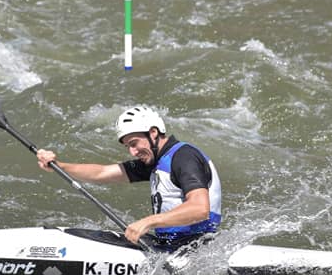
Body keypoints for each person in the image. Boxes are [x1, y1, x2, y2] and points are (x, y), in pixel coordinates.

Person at [36, 106, 222, 251]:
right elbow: (102, 173)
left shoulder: (184, 157)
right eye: (128, 147)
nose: (133, 152)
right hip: (169, 244)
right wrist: (59, 166)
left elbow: (200, 209)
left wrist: (147, 222)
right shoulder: (156, 161)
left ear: (154, 133)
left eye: (134, 144)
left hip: (194, 248)